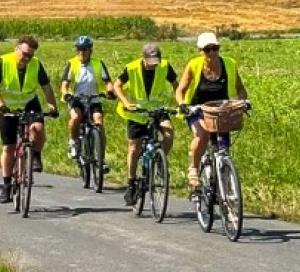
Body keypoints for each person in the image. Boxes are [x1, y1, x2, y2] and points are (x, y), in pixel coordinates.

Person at [0, 35, 60, 204]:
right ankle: (6, 185)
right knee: (9, 147)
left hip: (29, 103)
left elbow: (46, 87)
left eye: (31, 55)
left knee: (39, 129)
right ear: (16, 49)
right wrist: (0, 103)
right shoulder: (3, 62)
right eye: (25, 54)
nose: (27, 58)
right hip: (7, 107)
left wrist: (52, 107)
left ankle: (35, 155)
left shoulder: (36, 64)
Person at [175, 32, 249, 189]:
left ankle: (225, 187)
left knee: (224, 148)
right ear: (201, 51)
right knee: (202, 135)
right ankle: (194, 169)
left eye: (215, 48)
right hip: (197, 110)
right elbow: (180, 90)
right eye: (208, 50)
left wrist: (242, 102)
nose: (212, 53)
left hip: (221, 111)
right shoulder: (194, 65)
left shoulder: (229, 64)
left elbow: (240, 88)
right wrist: (183, 104)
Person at [114, 42, 178, 206]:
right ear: (143, 59)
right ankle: (131, 182)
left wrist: (180, 102)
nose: (153, 66)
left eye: (155, 62)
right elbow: (117, 85)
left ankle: (158, 160)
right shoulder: (132, 68)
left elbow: (176, 84)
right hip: (137, 112)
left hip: (157, 110)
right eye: (150, 62)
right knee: (134, 147)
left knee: (169, 133)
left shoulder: (164, 66)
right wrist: (126, 102)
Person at [60, 35, 112, 160]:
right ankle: (74, 141)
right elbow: (64, 83)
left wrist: (109, 91)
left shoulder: (98, 63)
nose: (81, 52)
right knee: (76, 118)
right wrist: (66, 94)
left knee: (99, 122)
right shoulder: (72, 63)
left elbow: (108, 81)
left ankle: (101, 158)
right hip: (76, 99)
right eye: (79, 49)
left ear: (90, 51)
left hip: (94, 98)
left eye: (84, 49)